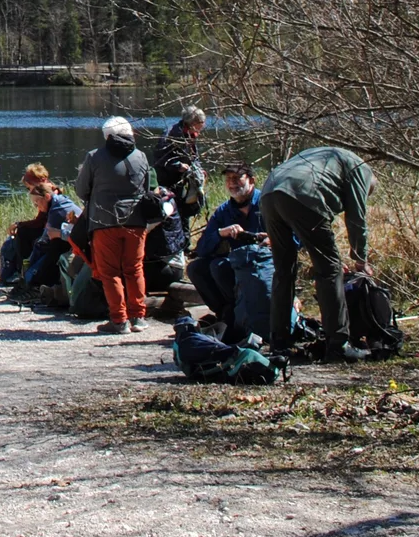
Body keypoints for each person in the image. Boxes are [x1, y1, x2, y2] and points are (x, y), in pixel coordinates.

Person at [262, 145, 374, 364]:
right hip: (302, 193)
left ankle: (280, 344)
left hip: (269, 193)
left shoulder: (327, 157)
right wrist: (360, 258)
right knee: (330, 270)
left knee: (284, 272)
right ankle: (338, 346)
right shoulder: (361, 169)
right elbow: (356, 218)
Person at [74, 116, 154, 336]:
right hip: (137, 222)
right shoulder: (142, 156)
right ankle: (138, 317)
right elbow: (148, 188)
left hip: (104, 221)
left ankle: (119, 320)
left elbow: (82, 190)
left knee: (110, 273)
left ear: (107, 136)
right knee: (134, 268)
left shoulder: (94, 157)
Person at [189, 165, 265, 336]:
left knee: (219, 267)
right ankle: (225, 314)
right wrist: (220, 234)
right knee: (197, 268)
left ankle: (235, 315)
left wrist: (269, 239)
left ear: (251, 180)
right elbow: (202, 248)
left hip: (265, 261)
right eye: (229, 180)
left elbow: (294, 237)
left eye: (237, 178)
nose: (232, 183)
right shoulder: (224, 210)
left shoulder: (267, 203)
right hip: (236, 262)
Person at [0, 164, 78, 295]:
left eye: (28, 185)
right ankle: (26, 273)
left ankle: (28, 275)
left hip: (62, 236)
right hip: (58, 233)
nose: (28, 188)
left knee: (35, 240)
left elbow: (42, 225)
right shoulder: (49, 196)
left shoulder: (52, 199)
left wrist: (19, 225)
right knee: (29, 236)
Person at [154, 106, 208, 233]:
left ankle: (185, 243)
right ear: (192, 122)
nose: (203, 126)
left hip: (183, 182)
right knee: (171, 212)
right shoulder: (171, 134)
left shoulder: (191, 134)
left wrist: (199, 170)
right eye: (201, 123)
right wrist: (178, 165)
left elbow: (194, 157)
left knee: (185, 213)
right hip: (167, 181)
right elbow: (159, 158)